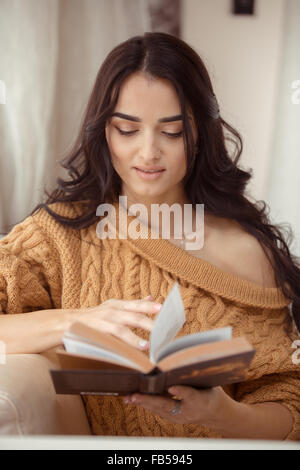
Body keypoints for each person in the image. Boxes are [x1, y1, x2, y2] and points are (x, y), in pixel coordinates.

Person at [1, 32, 300, 440]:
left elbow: (288, 401)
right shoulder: (60, 235)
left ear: (200, 133)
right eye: (127, 129)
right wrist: (76, 321)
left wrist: (221, 414)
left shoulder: (248, 252)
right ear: (103, 131)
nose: (148, 153)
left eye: (172, 132)